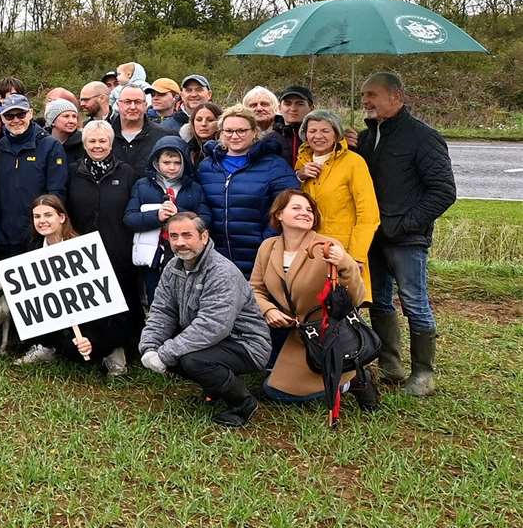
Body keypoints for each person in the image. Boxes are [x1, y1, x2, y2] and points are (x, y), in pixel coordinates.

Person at [357, 71, 455, 396]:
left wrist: (404, 224)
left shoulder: (423, 137)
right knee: (380, 301)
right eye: (363, 96)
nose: (366, 101)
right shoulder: (367, 138)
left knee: (415, 302)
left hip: (407, 240)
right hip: (374, 238)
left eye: (372, 95)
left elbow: (443, 192)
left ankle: (424, 374)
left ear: (396, 97)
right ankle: (390, 364)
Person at [138, 212, 271, 427]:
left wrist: (165, 353)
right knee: (176, 352)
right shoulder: (173, 268)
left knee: (190, 360)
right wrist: (150, 347)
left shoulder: (221, 272)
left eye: (187, 235)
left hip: (245, 343)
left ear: (204, 236)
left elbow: (213, 326)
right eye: (174, 236)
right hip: (215, 339)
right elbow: (162, 310)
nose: (180, 242)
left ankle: (243, 404)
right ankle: (214, 388)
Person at [251, 190, 378, 409]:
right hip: (299, 335)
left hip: (329, 333)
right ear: (279, 214)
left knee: (278, 393)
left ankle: (352, 380)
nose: (305, 213)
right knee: (272, 391)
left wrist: (345, 264)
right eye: (296, 208)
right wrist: (268, 310)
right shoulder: (268, 247)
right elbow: (255, 289)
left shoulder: (328, 246)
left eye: (309, 210)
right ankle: (339, 378)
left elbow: (355, 299)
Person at [64, 120, 141, 375]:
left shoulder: (126, 172)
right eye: (92, 141)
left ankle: (118, 350)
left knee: (120, 302)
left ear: (111, 143)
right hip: (83, 251)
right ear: (84, 144)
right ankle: (93, 349)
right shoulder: (72, 172)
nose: (97, 146)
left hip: (118, 248)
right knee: (91, 302)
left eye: (102, 141)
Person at [11, 195, 122, 368]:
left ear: (61, 217)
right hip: (56, 314)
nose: (42, 221)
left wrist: (91, 339)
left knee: (82, 348)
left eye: (48, 215)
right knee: (66, 346)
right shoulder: (31, 246)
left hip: (90, 320)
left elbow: (103, 300)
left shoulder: (82, 248)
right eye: (37, 216)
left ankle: (112, 351)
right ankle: (47, 346)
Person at [194, 104, 300, 276]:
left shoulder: (273, 165)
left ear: (254, 132)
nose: (234, 136)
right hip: (216, 260)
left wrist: (266, 241)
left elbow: (289, 204)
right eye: (228, 131)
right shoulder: (207, 166)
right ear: (221, 132)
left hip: (261, 260)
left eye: (241, 131)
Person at [295, 110, 379, 298]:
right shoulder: (300, 164)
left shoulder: (354, 163)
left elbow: (368, 214)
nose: (318, 136)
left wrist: (356, 255)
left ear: (336, 133)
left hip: (342, 251)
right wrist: (299, 176)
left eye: (325, 131)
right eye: (312, 131)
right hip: (307, 251)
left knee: (342, 309)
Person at [124, 135, 207, 303]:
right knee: (157, 302)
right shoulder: (142, 185)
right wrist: (157, 216)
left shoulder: (194, 188)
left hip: (184, 255)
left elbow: (205, 219)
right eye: (167, 163)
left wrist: (180, 214)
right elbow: (130, 218)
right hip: (153, 258)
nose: (172, 168)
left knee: (185, 302)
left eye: (177, 163)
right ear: (156, 162)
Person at [0, 93, 69, 258]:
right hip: (6, 236)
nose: (15, 120)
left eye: (21, 114)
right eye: (10, 116)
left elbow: (56, 193)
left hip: (39, 234)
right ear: (3, 118)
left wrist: (45, 226)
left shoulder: (50, 146)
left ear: (30, 113)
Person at [107, 82, 168, 174]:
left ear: (145, 105)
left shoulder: (163, 137)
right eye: (127, 102)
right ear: (118, 105)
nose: (132, 107)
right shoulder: (105, 136)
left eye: (137, 102)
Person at [271, 84, 314, 165]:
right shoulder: (270, 140)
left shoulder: (321, 136)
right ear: (279, 108)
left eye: (300, 104)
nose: (293, 109)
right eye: (287, 104)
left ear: (311, 108)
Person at [181, 102, 224, 168]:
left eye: (210, 120)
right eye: (199, 120)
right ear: (193, 123)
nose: (203, 124)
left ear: (220, 123)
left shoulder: (227, 150)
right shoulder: (184, 149)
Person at [44, 97, 83, 162]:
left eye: (74, 116)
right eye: (66, 116)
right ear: (52, 121)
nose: (72, 121)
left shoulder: (83, 144)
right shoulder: (40, 143)